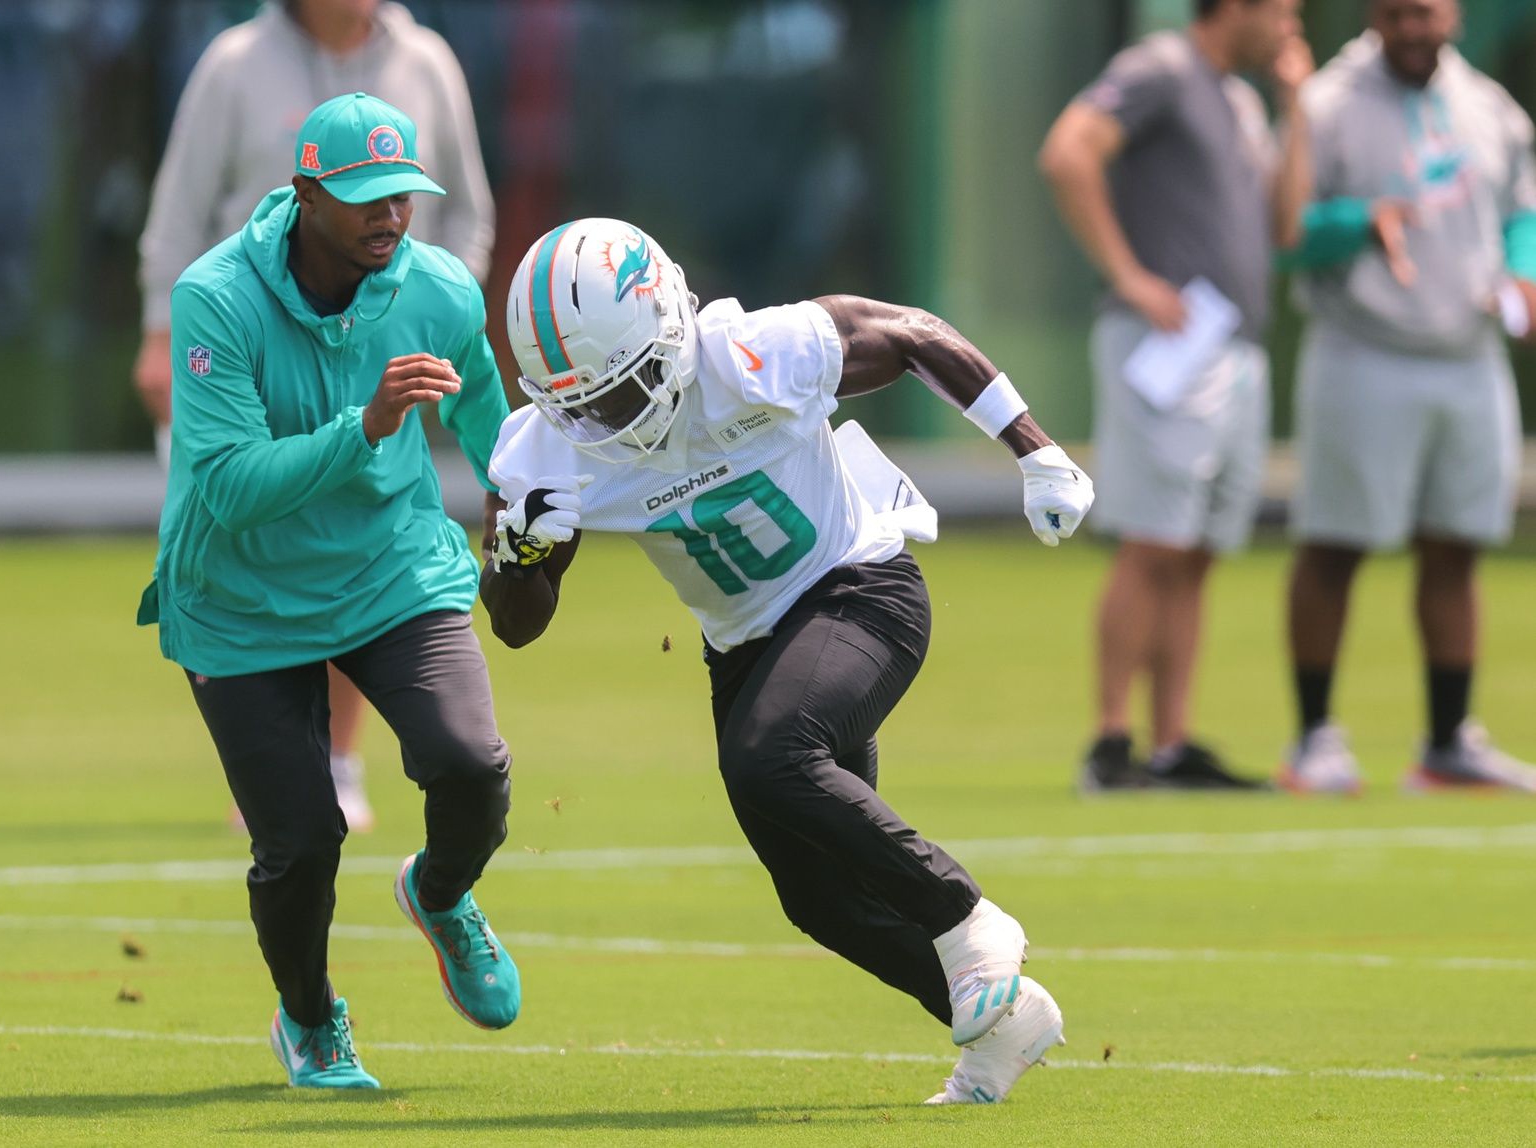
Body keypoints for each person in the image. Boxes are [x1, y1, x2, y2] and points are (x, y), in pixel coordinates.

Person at [481, 218, 1094, 1106]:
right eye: (580, 404)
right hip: (745, 649)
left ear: (670, 329)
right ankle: (1004, 1030)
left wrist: (1034, 450)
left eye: (620, 392)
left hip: (859, 590)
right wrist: (522, 556)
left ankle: (967, 919)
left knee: (768, 758)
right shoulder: (546, 445)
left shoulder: (750, 353)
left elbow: (913, 334)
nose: (604, 419)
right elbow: (516, 626)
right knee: (816, 893)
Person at [137, 94, 519, 1089]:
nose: (388, 215)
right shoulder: (213, 298)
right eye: (360, 197)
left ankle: (439, 893)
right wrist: (366, 427)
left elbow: (479, 394)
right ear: (304, 193)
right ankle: (309, 1019)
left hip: (390, 569)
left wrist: (520, 506)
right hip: (239, 596)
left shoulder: (434, 285)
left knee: (470, 764)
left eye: (400, 193)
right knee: (301, 840)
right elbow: (223, 484)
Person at [135, 0, 497, 828]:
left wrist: (438, 305)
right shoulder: (234, 61)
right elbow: (180, 207)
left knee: (365, 531)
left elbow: (468, 207)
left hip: (383, 339)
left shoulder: (428, 59)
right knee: (262, 536)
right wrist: (162, 328)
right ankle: (284, 762)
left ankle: (337, 757)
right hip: (244, 348)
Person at [1039, 0, 1309, 791]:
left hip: (1233, 351)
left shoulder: (1239, 96)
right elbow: (1067, 153)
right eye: (1283, 10)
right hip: (1164, 345)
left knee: (1195, 551)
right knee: (1151, 540)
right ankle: (1111, 741)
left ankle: (1172, 742)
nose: (1290, 24)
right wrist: (1128, 276)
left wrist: (1297, 106)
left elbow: (1285, 226)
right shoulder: (1161, 68)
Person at [1276, 0, 1536, 794]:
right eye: (1395, 16)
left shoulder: (1486, 105)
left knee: (1456, 544)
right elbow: (1287, 233)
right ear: (1372, 19)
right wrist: (1358, 220)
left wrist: (1522, 270)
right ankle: (1315, 738)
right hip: (1363, 350)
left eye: (1425, 14)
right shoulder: (1325, 104)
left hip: (1467, 354)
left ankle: (1448, 742)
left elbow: (1520, 211)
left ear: (1451, 14)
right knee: (1334, 545)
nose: (1413, 30)